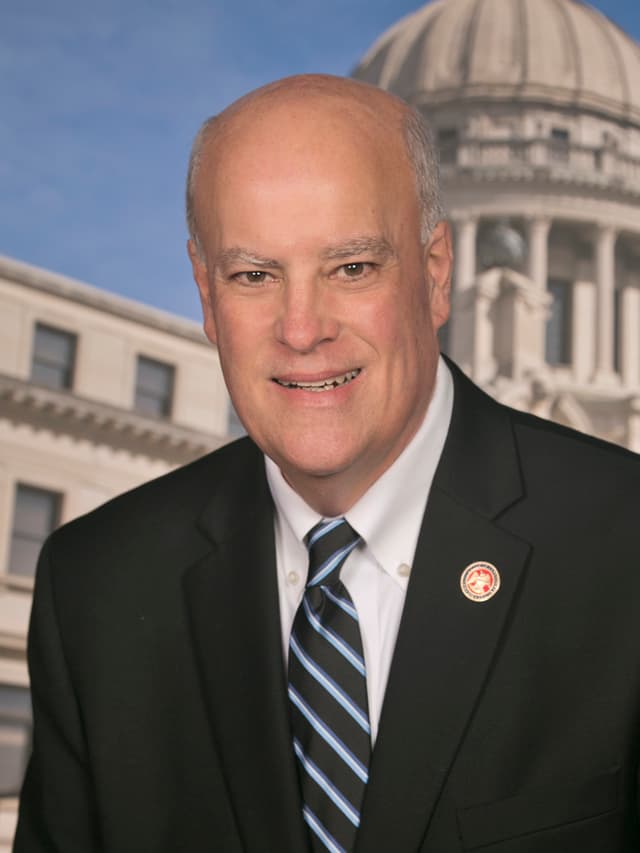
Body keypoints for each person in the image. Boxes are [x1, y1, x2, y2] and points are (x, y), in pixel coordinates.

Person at [14, 74, 640, 853]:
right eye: (253, 275)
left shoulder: (624, 548)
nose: (302, 330)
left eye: (352, 268)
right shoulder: (96, 587)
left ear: (437, 270)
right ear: (206, 295)